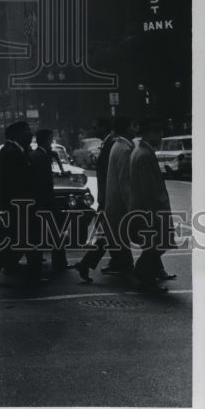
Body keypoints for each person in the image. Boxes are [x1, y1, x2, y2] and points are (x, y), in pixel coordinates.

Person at [0, 120, 41, 285]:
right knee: (27, 239)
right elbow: (18, 181)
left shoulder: (14, 150)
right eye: (26, 131)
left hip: (17, 203)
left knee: (20, 240)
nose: (30, 134)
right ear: (16, 134)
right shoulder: (11, 152)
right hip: (19, 204)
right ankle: (33, 275)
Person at [129, 119, 177, 294]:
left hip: (143, 209)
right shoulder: (144, 155)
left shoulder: (140, 152)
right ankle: (143, 276)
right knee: (158, 244)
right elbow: (149, 188)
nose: (161, 136)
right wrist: (155, 213)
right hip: (149, 211)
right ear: (148, 133)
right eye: (158, 133)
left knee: (154, 245)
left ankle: (147, 276)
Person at [74, 117, 118, 283]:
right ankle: (90, 263)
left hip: (108, 197)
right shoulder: (108, 144)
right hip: (107, 198)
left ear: (103, 127)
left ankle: (118, 262)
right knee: (111, 232)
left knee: (110, 232)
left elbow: (108, 175)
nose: (94, 129)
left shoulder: (110, 144)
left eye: (96, 126)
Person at [29, 128, 68, 277]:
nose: (52, 142)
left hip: (43, 201)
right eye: (51, 140)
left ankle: (59, 261)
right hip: (44, 201)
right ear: (45, 140)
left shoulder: (38, 155)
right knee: (54, 232)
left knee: (53, 232)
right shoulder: (40, 157)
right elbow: (41, 182)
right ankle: (58, 262)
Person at [103, 116, 135, 276]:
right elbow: (125, 181)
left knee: (116, 237)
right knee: (121, 238)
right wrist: (132, 207)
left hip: (113, 201)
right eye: (133, 125)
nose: (136, 128)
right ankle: (131, 269)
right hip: (120, 203)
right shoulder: (124, 149)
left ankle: (124, 266)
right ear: (128, 128)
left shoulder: (117, 145)